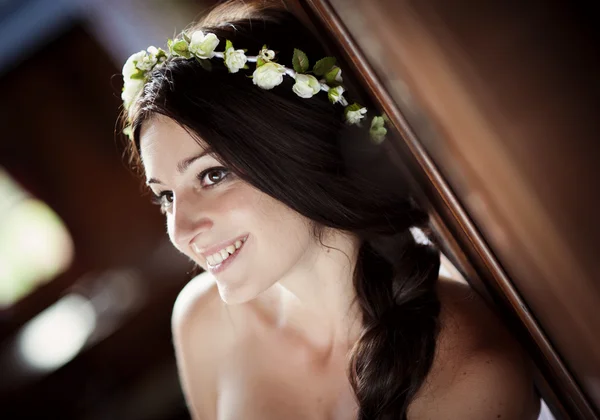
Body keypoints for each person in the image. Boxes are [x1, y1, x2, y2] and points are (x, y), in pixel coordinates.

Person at [120, 0, 541, 418]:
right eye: (166, 196)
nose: (181, 229)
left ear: (298, 153)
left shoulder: (472, 379)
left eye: (211, 176)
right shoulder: (203, 322)